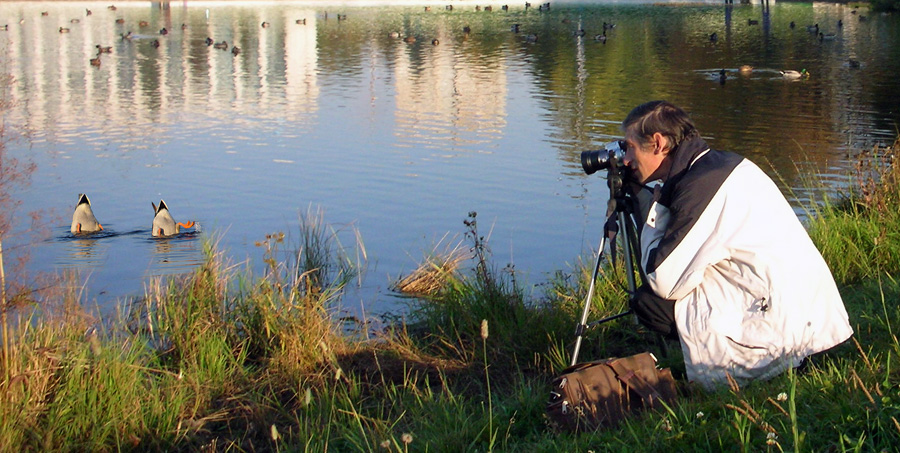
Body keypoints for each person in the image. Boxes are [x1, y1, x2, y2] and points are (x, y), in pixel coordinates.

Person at [621, 100, 853, 390]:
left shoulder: (701, 185)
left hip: (783, 323)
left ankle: (764, 368)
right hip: (802, 309)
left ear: (657, 143)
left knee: (649, 302)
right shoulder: (718, 164)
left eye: (629, 147)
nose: (626, 160)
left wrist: (653, 204)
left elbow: (663, 279)